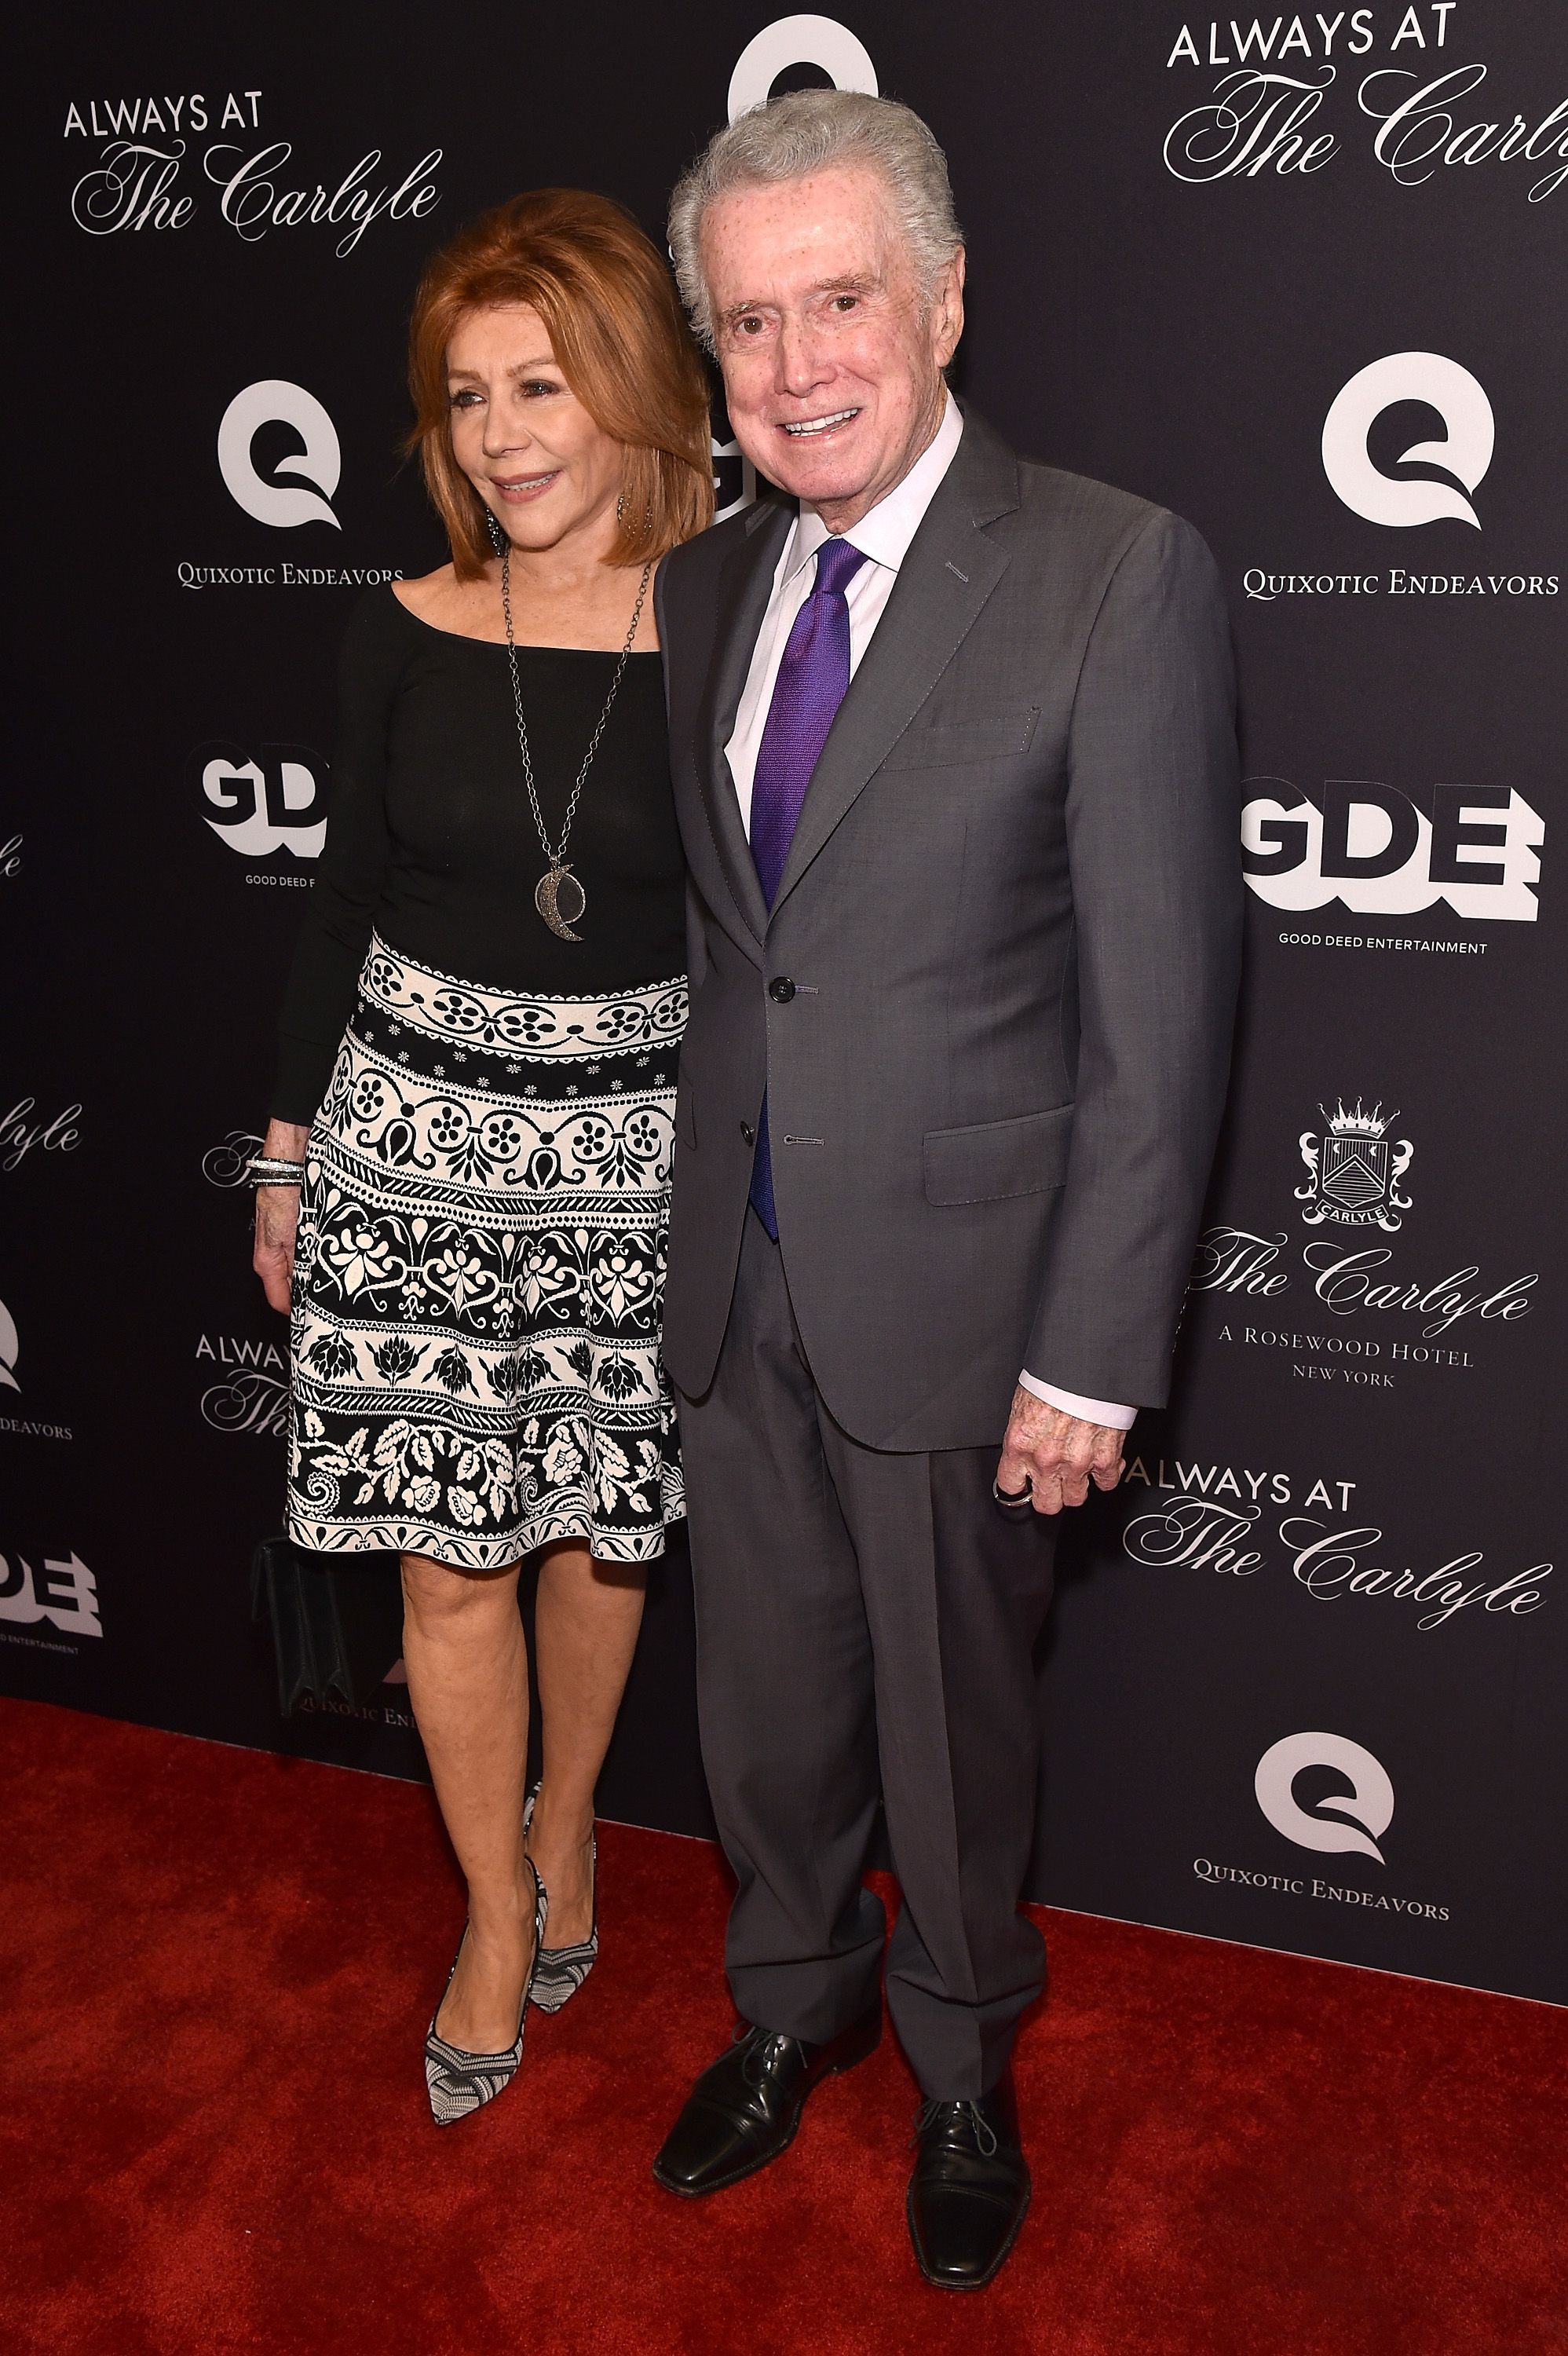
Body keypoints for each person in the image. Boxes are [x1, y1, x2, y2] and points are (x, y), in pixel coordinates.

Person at [649, 91, 1241, 2288]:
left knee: (948, 1735)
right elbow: (748, 953)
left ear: (944, 298)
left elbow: (1160, 1013)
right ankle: (784, 2012)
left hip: (973, 1305)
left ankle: (964, 2068)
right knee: (766, 1712)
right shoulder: (706, 578)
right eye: (746, 325)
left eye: (839, 304)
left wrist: (1092, 1347)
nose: (797, 366)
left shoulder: (1111, 569)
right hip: (734, 1281)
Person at [250, 189, 712, 2125]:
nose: (504, 432)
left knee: (602, 1532)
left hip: (637, 1147)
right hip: (409, 1138)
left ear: (630, 385)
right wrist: (287, 1149)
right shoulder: (405, 627)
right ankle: (493, 1919)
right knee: (451, 1557)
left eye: (541, 383)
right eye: (465, 398)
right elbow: (339, 893)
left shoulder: (743, 615)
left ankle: (575, 1827)